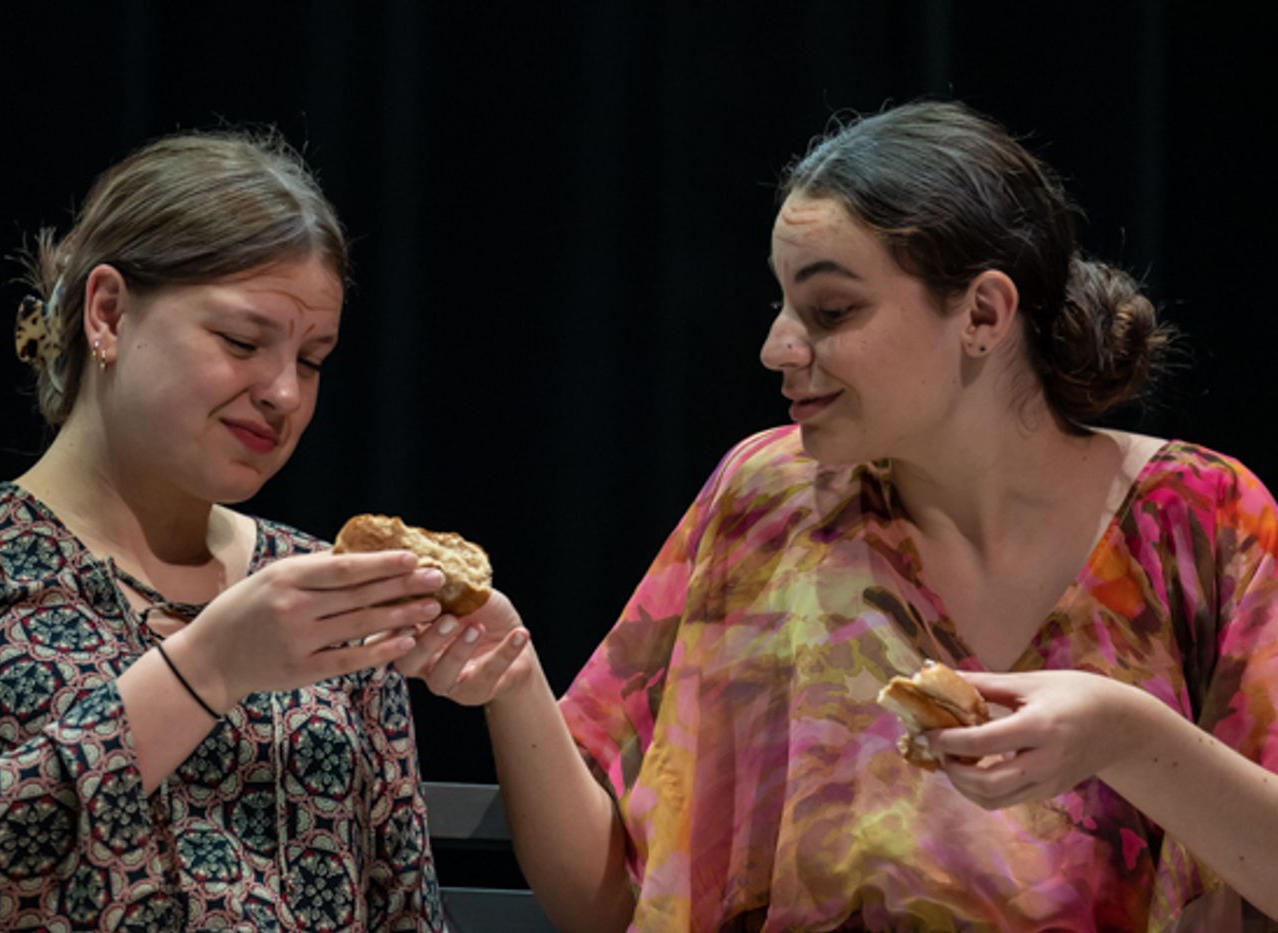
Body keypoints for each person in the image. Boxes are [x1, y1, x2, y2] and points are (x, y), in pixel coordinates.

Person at [395, 101, 1278, 930]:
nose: (778, 347)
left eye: (830, 310)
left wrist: (1124, 734)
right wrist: (510, 676)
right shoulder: (770, 499)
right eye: (782, 304)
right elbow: (608, 895)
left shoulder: (1200, 520)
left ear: (982, 312)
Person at [0, 130, 446, 930]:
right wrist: (206, 667)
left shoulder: (320, 585)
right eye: (242, 342)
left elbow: (405, 910)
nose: (284, 392)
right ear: (107, 312)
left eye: (312, 359)